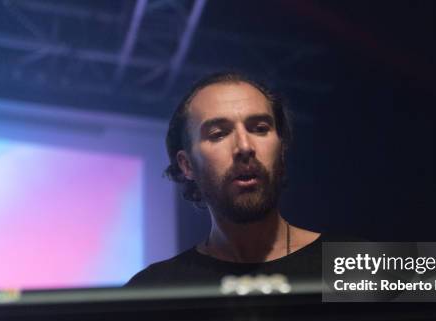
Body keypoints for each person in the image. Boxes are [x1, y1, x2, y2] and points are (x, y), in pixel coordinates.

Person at [126, 72, 326, 287]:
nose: (245, 147)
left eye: (260, 129)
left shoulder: (348, 264)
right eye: (218, 134)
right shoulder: (157, 287)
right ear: (187, 165)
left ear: (282, 150)